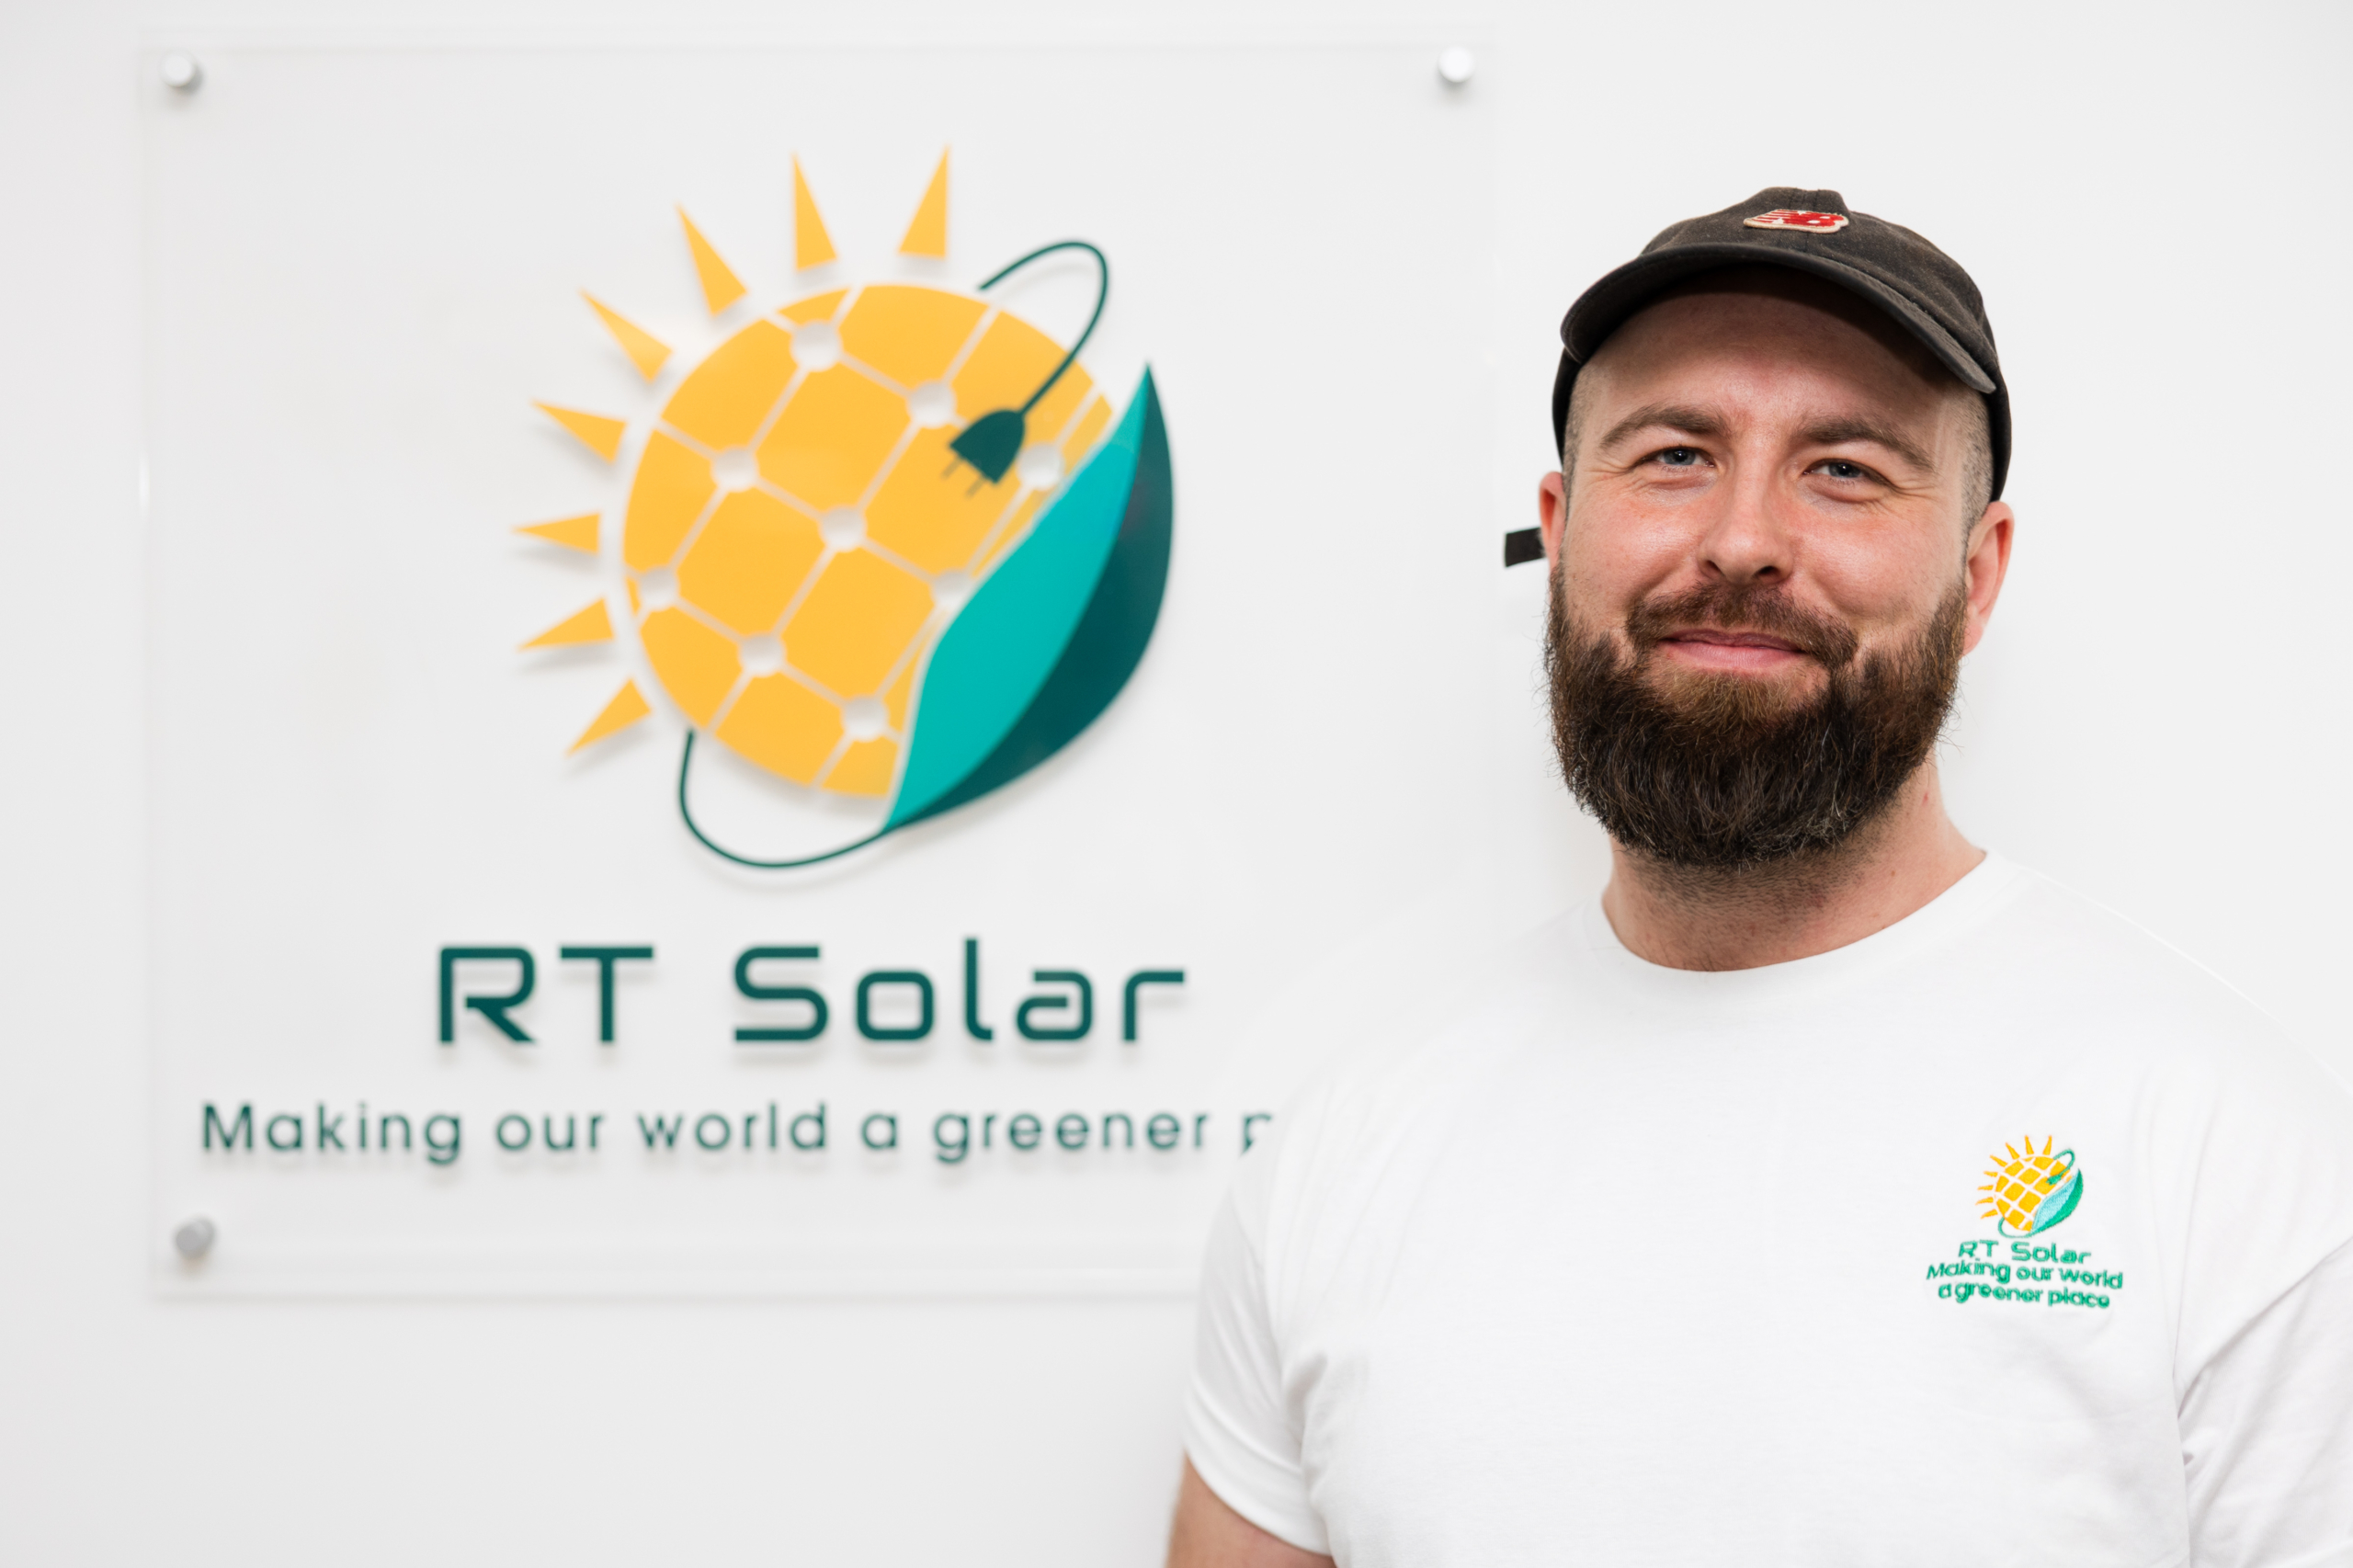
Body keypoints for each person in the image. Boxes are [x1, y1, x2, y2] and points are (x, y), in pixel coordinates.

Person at [1166, 188, 2353, 1565]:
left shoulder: (2232, 1156)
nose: (1741, 539)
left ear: (1977, 576)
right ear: (1560, 529)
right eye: (1674, 455)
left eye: (1844, 468)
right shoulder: (1342, 1153)